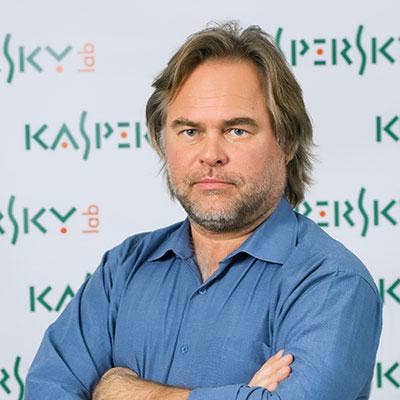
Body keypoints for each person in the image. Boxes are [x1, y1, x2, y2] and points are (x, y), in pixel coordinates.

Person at [25, 22, 382, 400]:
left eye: (237, 130)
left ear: (287, 141)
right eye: (190, 131)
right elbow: (47, 390)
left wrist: (122, 391)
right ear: (163, 142)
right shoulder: (124, 269)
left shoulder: (332, 283)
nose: (211, 155)